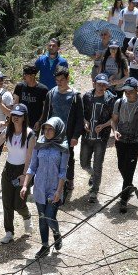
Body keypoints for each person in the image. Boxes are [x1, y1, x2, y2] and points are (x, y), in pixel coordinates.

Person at [22, 117, 69, 258]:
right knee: (42, 217)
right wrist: (25, 185)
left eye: (50, 129)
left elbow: (63, 172)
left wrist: (59, 191)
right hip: (40, 187)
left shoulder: (64, 148)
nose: (47, 132)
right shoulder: (40, 143)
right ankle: (44, 246)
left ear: (58, 130)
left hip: (54, 188)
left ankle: (56, 234)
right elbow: (32, 166)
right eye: (45, 129)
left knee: (49, 216)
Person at [111, 78, 138, 214]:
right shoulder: (119, 103)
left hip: (136, 141)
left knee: (129, 169)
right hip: (121, 140)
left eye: (130, 91)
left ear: (136, 90)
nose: (127, 93)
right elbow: (113, 121)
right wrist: (115, 131)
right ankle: (129, 185)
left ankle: (123, 200)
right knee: (121, 166)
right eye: (125, 91)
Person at [0, 103, 34, 243]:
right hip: (8, 169)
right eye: (13, 115)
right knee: (6, 202)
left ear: (24, 117)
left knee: (19, 204)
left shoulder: (29, 134)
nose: (15, 117)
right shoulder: (8, 131)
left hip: (23, 170)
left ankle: (27, 216)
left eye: (18, 115)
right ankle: (9, 231)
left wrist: (24, 175)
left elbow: (29, 157)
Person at [43, 65, 83, 197]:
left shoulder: (75, 96)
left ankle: (69, 180)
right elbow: (46, 114)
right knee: (53, 157)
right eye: (57, 80)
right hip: (53, 133)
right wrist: (44, 131)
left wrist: (76, 136)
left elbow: (79, 118)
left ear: (68, 79)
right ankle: (55, 184)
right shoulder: (51, 93)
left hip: (68, 133)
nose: (59, 83)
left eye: (62, 80)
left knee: (68, 158)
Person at [80, 74, 117, 204]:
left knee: (97, 165)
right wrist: (85, 122)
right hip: (86, 136)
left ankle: (94, 191)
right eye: (99, 84)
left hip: (101, 138)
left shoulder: (111, 99)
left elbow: (114, 118)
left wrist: (104, 125)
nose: (101, 87)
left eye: (104, 84)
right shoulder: (86, 96)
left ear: (107, 85)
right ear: (94, 83)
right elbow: (82, 113)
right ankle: (92, 175)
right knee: (84, 163)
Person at [14, 62, 50, 131]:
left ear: (32, 75)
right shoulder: (20, 87)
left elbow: (46, 108)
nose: (23, 76)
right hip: (21, 122)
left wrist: (40, 121)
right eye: (23, 74)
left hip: (35, 124)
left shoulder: (43, 89)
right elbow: (15, 104)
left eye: (26, 75)